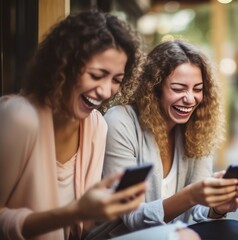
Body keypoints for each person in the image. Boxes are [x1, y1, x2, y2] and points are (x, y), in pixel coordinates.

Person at [0, 11, 148, 240]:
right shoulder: (20, 118)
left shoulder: (97, 125)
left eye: (117, 80)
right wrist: (76, 212)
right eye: (97, 75)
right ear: (63, 65)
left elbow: (84, 226)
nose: (106, 90)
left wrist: (109, 206)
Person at [88, 39, 238, 240]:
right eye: (179, 88)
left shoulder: (196, 129)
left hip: (173, 234)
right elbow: (132, 216)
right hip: (122, 236)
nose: (190, 99)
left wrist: (215, 208)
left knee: (233, 231)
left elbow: (195, 209)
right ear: (154, 88)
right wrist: (191, 195)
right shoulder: (121, 122)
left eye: (197, 89)